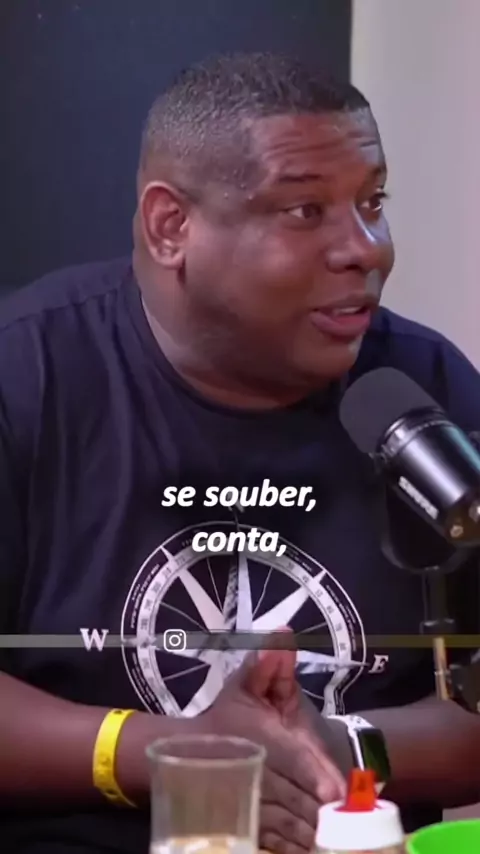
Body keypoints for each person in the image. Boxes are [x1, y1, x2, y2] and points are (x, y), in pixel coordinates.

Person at [1, 51, 480, 854]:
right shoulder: (27, 375)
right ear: (171, 227)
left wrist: (342, 747)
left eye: (372, 202)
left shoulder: (427, 390)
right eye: (305, 211)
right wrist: (173, 755)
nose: (365, 248)